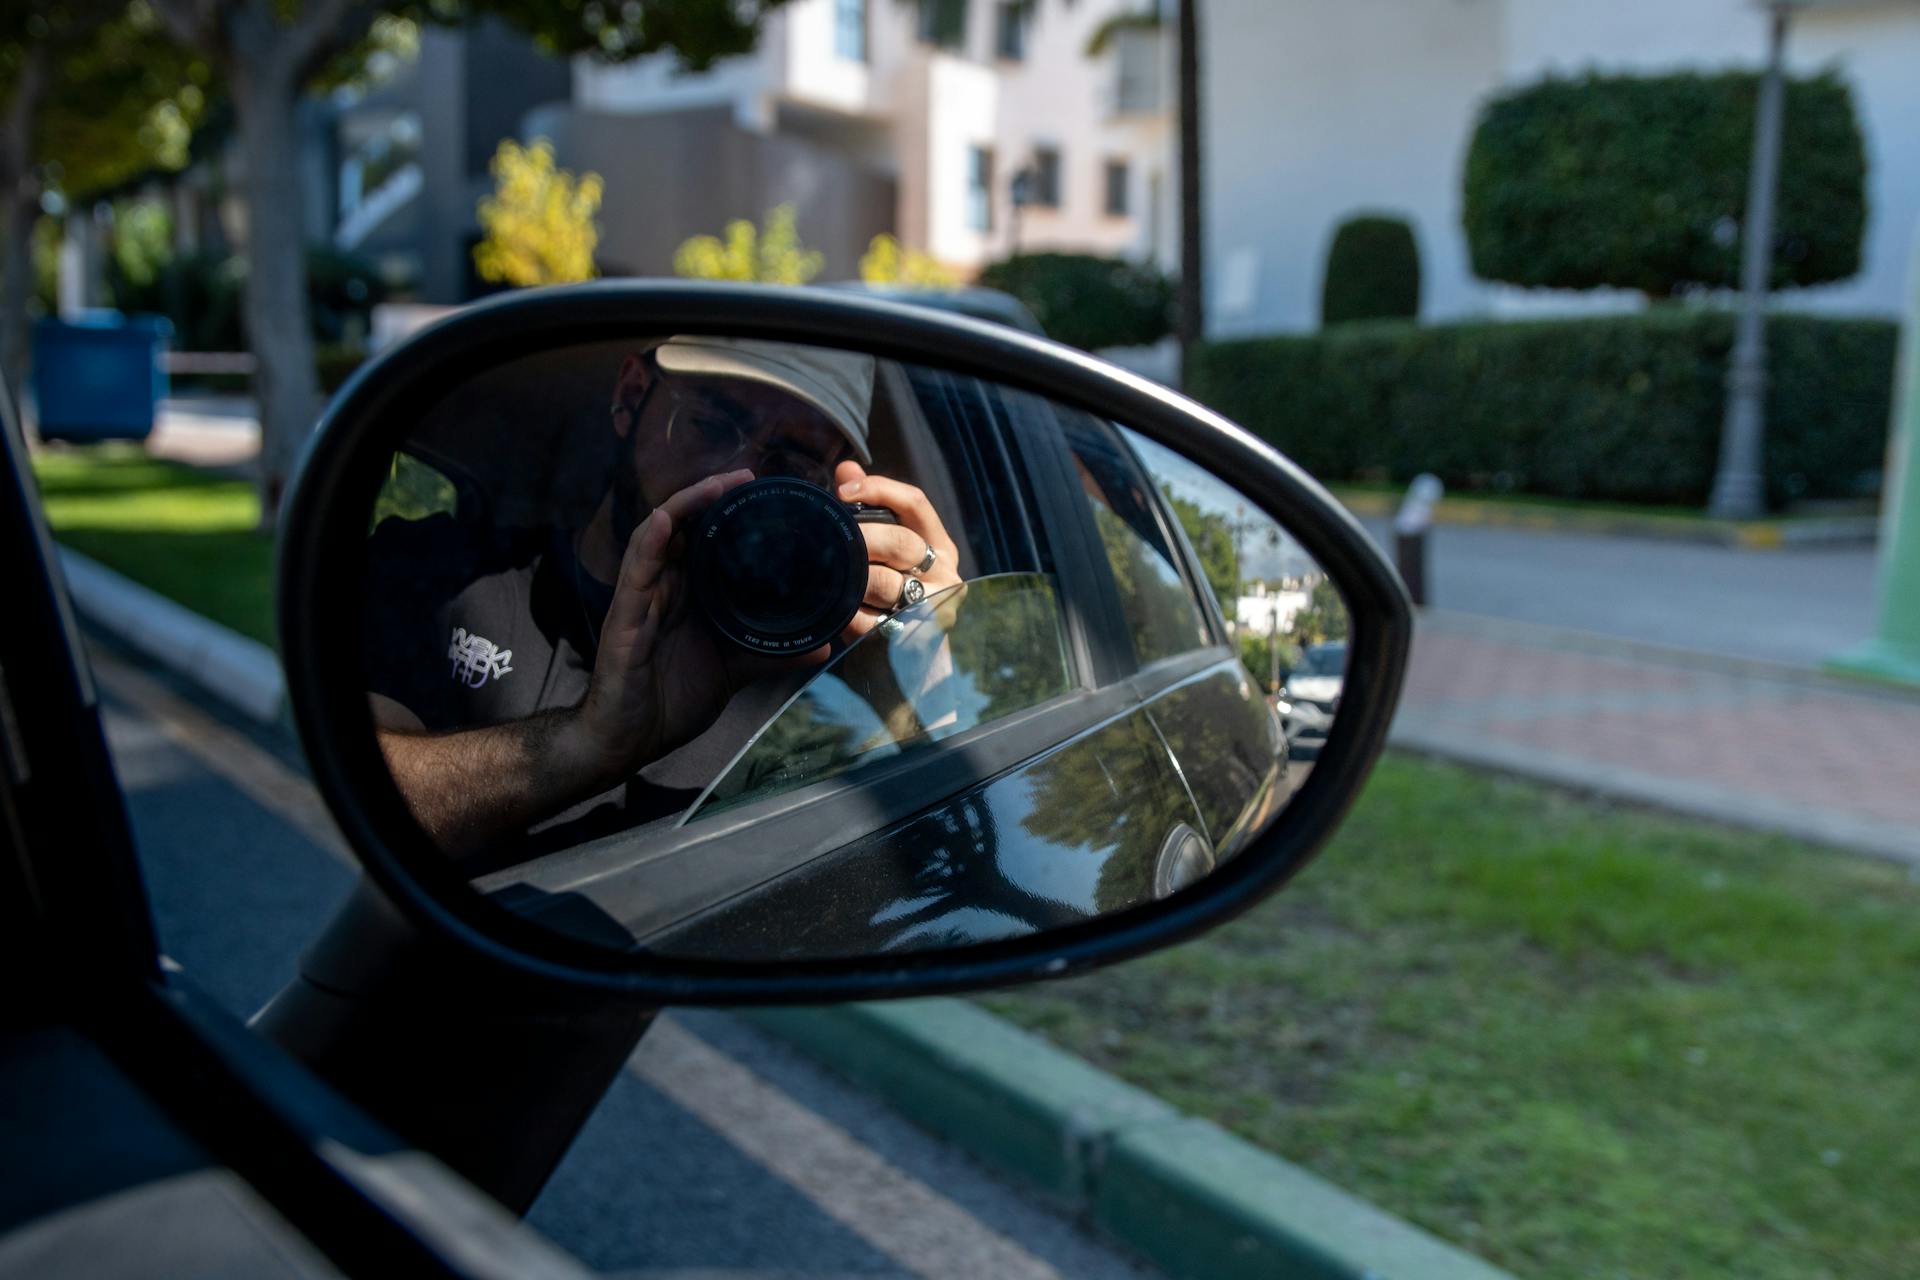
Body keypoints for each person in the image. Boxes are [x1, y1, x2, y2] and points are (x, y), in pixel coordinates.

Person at [363, 337, 963, 861]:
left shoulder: (825, 672)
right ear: (630, 395)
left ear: (835, 490)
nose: (737, 475)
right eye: (709, 424)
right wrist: (589, 744)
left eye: (792, 461)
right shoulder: (441, 572)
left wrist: (929, 696)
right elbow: (364, 793)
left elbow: (921, 874)